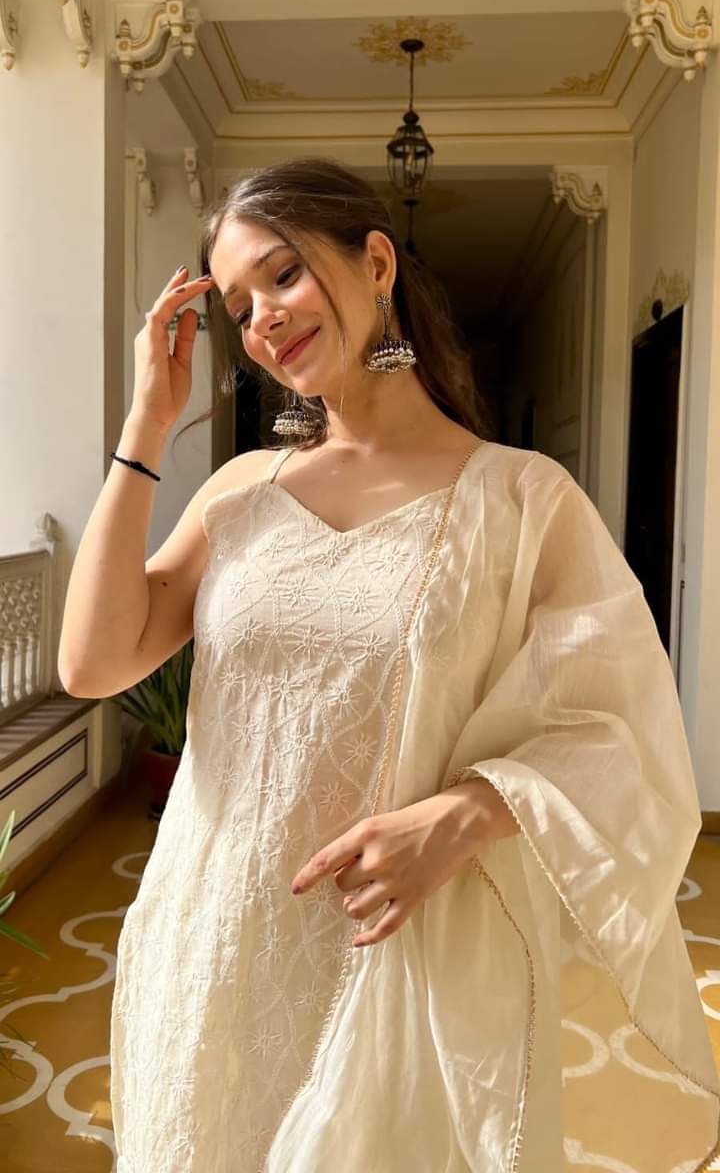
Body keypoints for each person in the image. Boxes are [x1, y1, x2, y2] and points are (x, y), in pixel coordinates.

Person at [60, 158, 719, 1172]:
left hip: (401, 958)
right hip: (217, 941)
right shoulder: (242, 493)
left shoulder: (522, 499)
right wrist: (146, 424)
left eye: (283, 274)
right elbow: (93, 662)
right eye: (238, 306)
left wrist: (466, 813)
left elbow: (619, 725)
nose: (263, 318)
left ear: (376, 263)